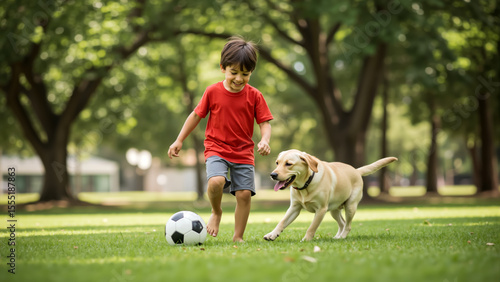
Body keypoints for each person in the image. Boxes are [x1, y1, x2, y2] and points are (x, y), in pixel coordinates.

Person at [168, 36, 273, 242]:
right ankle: (216, 212)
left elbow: (264, 122)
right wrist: (179, 140)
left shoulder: (255, 95)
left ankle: (238, 236)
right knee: (216, 182)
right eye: (234, 72)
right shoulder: (212, 91)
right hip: (216, 147)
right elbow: (196, 115)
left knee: (243, 194)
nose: (239, 79)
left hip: (243, 151)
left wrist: (265, 140)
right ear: (222, 68)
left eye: (245, 74)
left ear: (251, 72)